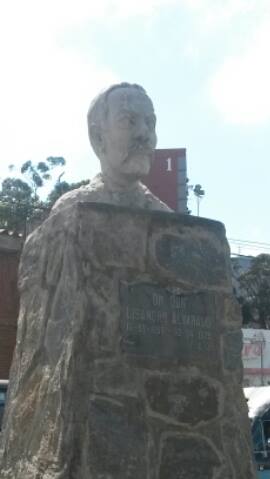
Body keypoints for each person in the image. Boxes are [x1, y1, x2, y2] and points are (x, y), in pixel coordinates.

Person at [52, 82, 171, 213]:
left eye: (150, 123)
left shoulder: (166, 218)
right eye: (127, 121)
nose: (143, 133)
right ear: (98, 137)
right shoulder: (70, 209)